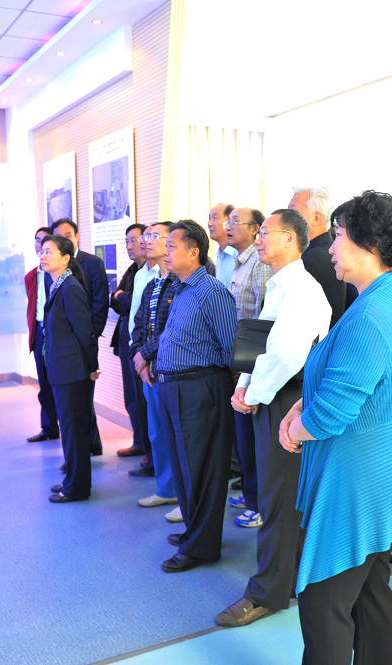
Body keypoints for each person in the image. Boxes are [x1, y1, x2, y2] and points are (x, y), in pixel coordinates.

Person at [280, 191, 392, 665]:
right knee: (370, 595)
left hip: (359, 480)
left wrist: (294, 429)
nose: (332, 247)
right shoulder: (386, 295)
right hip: (378, 473)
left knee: (324, 605)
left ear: (370, 244)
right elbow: (353, 378)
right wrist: (302, 405)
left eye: (339, 236)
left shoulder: (372, 315)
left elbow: (332, 414)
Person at [216, 208, 331, 628]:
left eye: (265, 232)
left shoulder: (301, 288)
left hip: (286, 398)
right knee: (281, 496)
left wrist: (253, 392)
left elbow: (285, 354)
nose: (258, 239)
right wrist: (246, 385)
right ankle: (291, 579)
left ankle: (267, 592)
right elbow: (261, 345)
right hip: (272, 394)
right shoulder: (280, 284)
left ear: (290, 239)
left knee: (278, 500)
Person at [155, 220, 238, 573]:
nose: (165, 252)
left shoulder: (211, 291)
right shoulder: (181, 288)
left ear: (193, 252)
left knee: (201, 467)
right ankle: (195, 532)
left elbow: (231, 348)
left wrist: (213, 381)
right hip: (173, 386)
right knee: (183, 466)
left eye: (171, 246)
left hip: (199, 387)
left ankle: (202, 547)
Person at [40, 234, 100, 503]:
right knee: (70, 429)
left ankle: (77, 488)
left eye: (49, 252)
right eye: (42, 251)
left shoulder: (70, 287)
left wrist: (92, 366)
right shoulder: (58, 284)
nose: (43, 256)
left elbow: (85, 332)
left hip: (72, 370)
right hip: (63, 368)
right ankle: (72, 480)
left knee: (74, 431)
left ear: (66, 258)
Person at [225, 207, 273, 528]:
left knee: (252, 438)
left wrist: (249, 370)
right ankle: (250, 492)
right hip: (239, 362)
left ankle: (258, 504)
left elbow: (262, 321)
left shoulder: (260, 263)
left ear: (255, 228)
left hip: (252, 362)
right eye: (227, 221)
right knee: (243, 438)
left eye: (235, 222)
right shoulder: (239, 261)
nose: (228, 226)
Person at [130, 222, 181, 512]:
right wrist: (138, 357)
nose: (147, 241)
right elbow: (139, 325)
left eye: (155, 236)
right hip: (149, 369)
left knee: (175, 434)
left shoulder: (181, 283)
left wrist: (144, 356)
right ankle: (166, 488)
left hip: (170, 368)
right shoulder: (152, 283)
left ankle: (182, 494)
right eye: (146, 236)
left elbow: (171, 330)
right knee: (157, 433)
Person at [50, 219, 109, 456]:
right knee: (75, 408)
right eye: (58, 236)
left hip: (83, 343)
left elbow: (100, 304)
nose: (63, 239)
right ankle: (85, 449)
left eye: (67, 235)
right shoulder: (53, 270)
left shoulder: (92, 263)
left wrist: (89, 337)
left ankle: (84, 451)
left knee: (81, 404)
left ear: (77, 237)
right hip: (64, 348)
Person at [110, 223, 149, 459]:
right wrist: (123, 298)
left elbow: (137, 302)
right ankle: (139, 441)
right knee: (131, 395)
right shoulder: (133, 270)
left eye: (134, 240)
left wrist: (123, 297)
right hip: (126, 337)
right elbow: (114, 301)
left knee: (143, 396)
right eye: (127, 241)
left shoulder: (152, 271)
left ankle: (148, 447)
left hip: (143, 342)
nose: (130, 246)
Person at [288, 186, 350, 327]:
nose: (285, 219)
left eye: (293, 212)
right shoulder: (321, 251)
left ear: (316, 218)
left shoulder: (312, 259)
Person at [25, 226, 59, 443]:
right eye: (38, 240)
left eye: (45, 241)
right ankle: (49, 428)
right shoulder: (31, 276)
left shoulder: (59, 273)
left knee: (61, 383)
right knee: (44, 383)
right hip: (39, 331)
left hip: (57, 333)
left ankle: (73, 432)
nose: (40, 245)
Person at [208, 202, 238, 288]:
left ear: (229, 222)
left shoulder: (238, 254)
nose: (209, 223)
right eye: (209, 218)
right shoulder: (219, 254)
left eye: (214, 218)